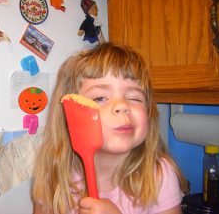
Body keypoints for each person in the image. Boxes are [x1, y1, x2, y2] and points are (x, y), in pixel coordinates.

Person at [32, 42, 188, 214]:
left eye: (135, 98)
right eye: (100, 98)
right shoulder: (54, 176)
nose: (122, 106)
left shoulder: (159, 176)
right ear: (70, 114)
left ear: (149, 111)